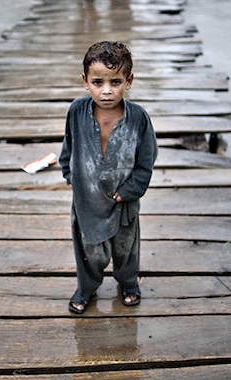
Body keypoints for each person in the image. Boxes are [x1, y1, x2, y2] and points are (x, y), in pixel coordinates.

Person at [59, 41, 158, 314]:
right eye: (97, 82)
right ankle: (86, 288)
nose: (106, 91)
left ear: (129, 81)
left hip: (123, 200)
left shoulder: (138, 118)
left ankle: (128, 283)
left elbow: (147, 159)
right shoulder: (77, 112)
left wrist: (131, 189)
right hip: (87, 199)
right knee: (89, 249)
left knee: (126, 247)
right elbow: (68, 146)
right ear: (85, 81)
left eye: (115, 82)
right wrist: (71, 175)